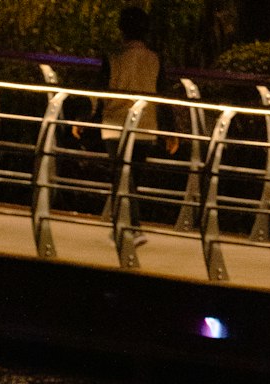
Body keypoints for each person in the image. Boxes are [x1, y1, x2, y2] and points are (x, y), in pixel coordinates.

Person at [99, 6, 178, 244]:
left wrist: (85, 118)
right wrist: (170, 131)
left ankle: (132, 227)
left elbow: (99, 91)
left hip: (115, 124)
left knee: (121, 177)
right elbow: (162, 96)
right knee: (131, 177)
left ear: (121, 29)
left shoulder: (112, 58)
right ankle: (121, 228)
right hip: (146, 125)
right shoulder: (155, 59)